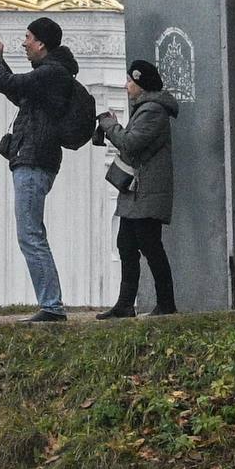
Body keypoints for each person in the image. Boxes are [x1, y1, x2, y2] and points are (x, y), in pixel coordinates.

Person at [0, 16, 88, 324]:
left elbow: (8, 84)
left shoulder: (52, 74)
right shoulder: (50, 75)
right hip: (34, 159)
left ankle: (51, 306)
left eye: (27, 37)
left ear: (41, 42)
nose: (23, 43)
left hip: (35, 161)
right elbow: (18, 92)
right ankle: (50, 304)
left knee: (31, 235)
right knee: (30, 233)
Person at [96, 60, 180, 318]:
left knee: (150, 245)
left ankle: (166, 303)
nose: (126, 85)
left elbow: (131, 143)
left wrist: (110, 125)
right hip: (136, 193)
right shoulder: (144, 109)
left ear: (141, 84)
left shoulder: (152, 111)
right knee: (126, 244)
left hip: (146, 192)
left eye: (130, 82)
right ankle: (124, 304)